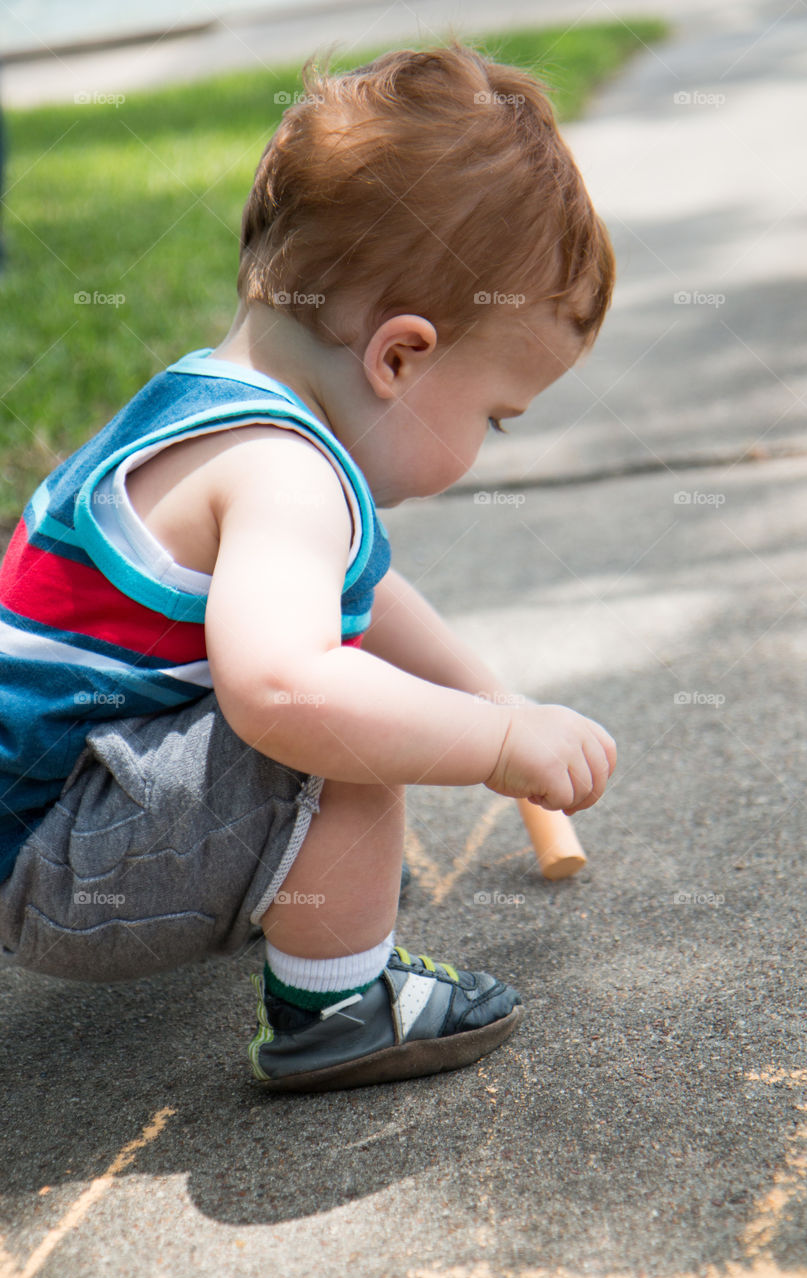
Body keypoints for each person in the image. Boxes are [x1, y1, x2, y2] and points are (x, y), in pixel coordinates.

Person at [0, 43, 617, 1092]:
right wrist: (496, 740)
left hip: (43, 814)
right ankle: (336, 1005)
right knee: (337, 731)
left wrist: (488, 695)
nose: (481, 447)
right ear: (401, 357)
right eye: (493, 419)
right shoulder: (287, 475)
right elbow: (287, 687)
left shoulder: (207, 403)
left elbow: (362, 599)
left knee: (347, 682)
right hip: (56, 867)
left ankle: (271, 888)